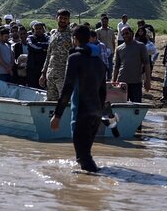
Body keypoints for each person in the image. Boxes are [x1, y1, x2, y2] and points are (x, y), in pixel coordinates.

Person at [51, 25, 106, 173]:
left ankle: (93, 189)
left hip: (81, 114)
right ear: (89, 38)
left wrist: (57, 115)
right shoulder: (100, 63)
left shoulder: (74, 58)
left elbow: (68, 87)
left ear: (74, 39)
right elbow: (103, 92)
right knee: (83, 156)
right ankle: (86, 188)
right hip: (95, 114)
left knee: (84, 159)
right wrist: (101, 114)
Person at [40, 9, 72, 101]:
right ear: (56, 18)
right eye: (60, 18)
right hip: (51, 74)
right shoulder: (53, 34)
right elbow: (49, 55)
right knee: (51, 102)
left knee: (65, 102)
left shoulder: (72, 35)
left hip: (64, 76)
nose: (62, 20)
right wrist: (43, 73)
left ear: (68, 20)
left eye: (65, 18)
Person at [113, 26, 151, 103]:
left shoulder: (141, 46)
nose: (125, 35)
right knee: (121, 107)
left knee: (136, 108)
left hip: (136, 82)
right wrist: (114, 81)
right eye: (123, 34)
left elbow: (147, 64)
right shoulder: (119, 48)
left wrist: (148, 81)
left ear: (132, 33)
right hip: (122, 82)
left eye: (127, 33)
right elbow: (116, 66)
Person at [26, 22, 49, 89]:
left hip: (43, 68)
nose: (38, 30)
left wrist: (39, 45)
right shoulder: (30, 38)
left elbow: (49, 45)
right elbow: (32, 46)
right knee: (32, 88)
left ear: (43, 29)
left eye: (40, 28)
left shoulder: (47, 37)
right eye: (36, 29)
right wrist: (43, 49)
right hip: (32, 68)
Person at [96, 15, 116, 80]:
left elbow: (113, 41)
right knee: (102, 66)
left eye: (106, 21)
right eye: (103, 21)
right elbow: (96, 41)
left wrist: (113, 50)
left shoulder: (111, 31)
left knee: (110, 66)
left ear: (108, 22)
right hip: (102, 52)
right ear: (101, 22)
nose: (104, 23)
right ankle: (102, 79)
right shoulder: (98, 31)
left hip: (110, 51)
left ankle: (109, 79)